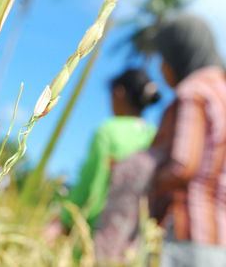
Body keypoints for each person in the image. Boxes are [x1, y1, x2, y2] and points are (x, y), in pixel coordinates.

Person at [148, 14, 226, 267]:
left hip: (188, 232)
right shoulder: (221, 91)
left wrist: (143, 186)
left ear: (179, 50)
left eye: (163, 57)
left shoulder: (193, 92)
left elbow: (182, 165)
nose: (160, 68)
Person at [59, 69, 160, 232]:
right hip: (136, 233)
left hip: (99, 227)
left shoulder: (109, 131)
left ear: (118, 93)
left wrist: (68, 218)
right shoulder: (155, 135)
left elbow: (91, 182)